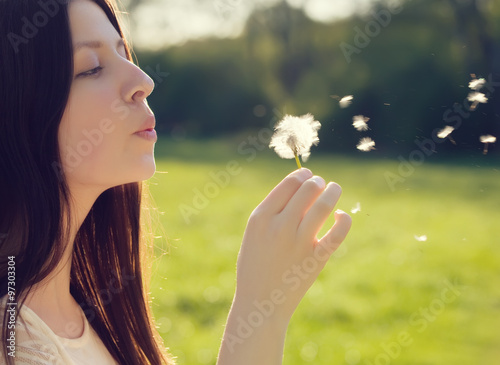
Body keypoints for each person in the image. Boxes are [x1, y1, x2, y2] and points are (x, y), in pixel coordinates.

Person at [0, 0, 352, 364]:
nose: (143, 81)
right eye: (92, 68)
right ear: (15, 107)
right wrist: (261, 310)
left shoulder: (91, 313)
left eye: (124, 54)